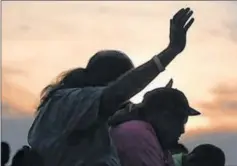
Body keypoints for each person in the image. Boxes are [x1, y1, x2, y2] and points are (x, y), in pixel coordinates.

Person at [28, 7, 195, 166]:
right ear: (111, 82)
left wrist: (161, 99)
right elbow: (117, 94)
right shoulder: (69, 101)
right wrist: (171, 52)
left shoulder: (86, 111)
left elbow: (123, 111)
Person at [109, 82, 201, 166]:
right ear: (164, 117)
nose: (182, 130)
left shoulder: (156, 142)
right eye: (180, 121)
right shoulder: (138, 136)